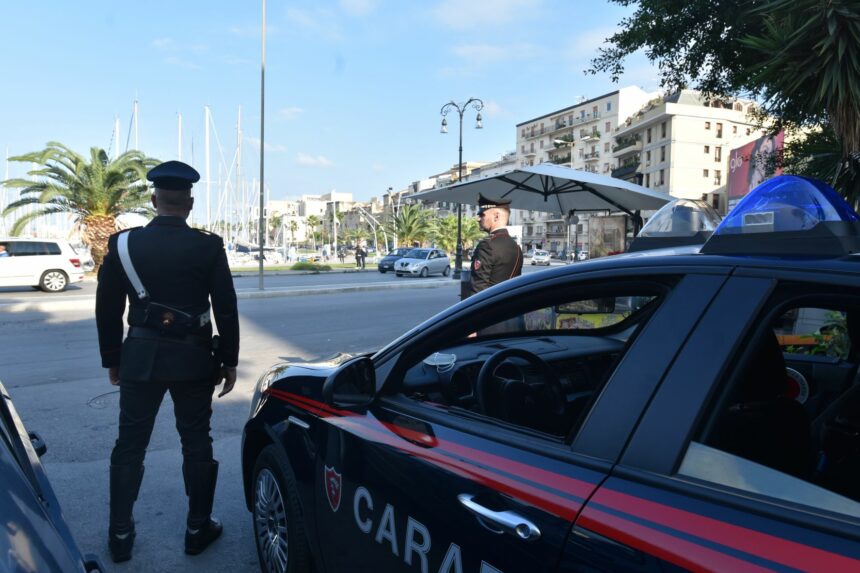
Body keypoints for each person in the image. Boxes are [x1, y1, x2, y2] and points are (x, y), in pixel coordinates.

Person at [95, 160, 239, 562]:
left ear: (154, 200)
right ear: (189, 203)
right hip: (194, 359)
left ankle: (120, 536)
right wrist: (229, 360)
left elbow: (106, 308)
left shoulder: (123, 244)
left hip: (139, 358)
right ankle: (197, 529)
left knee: (129, 444)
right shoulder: (207, 246)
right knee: (196, 441)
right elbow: (225, 308)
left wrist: (112, 357)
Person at [466, 193, 523, 298]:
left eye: (482, 214)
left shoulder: (487, 245)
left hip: (489, 310)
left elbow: (478, 291)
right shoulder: (517, 248)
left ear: (496, 216)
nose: (478, 219)